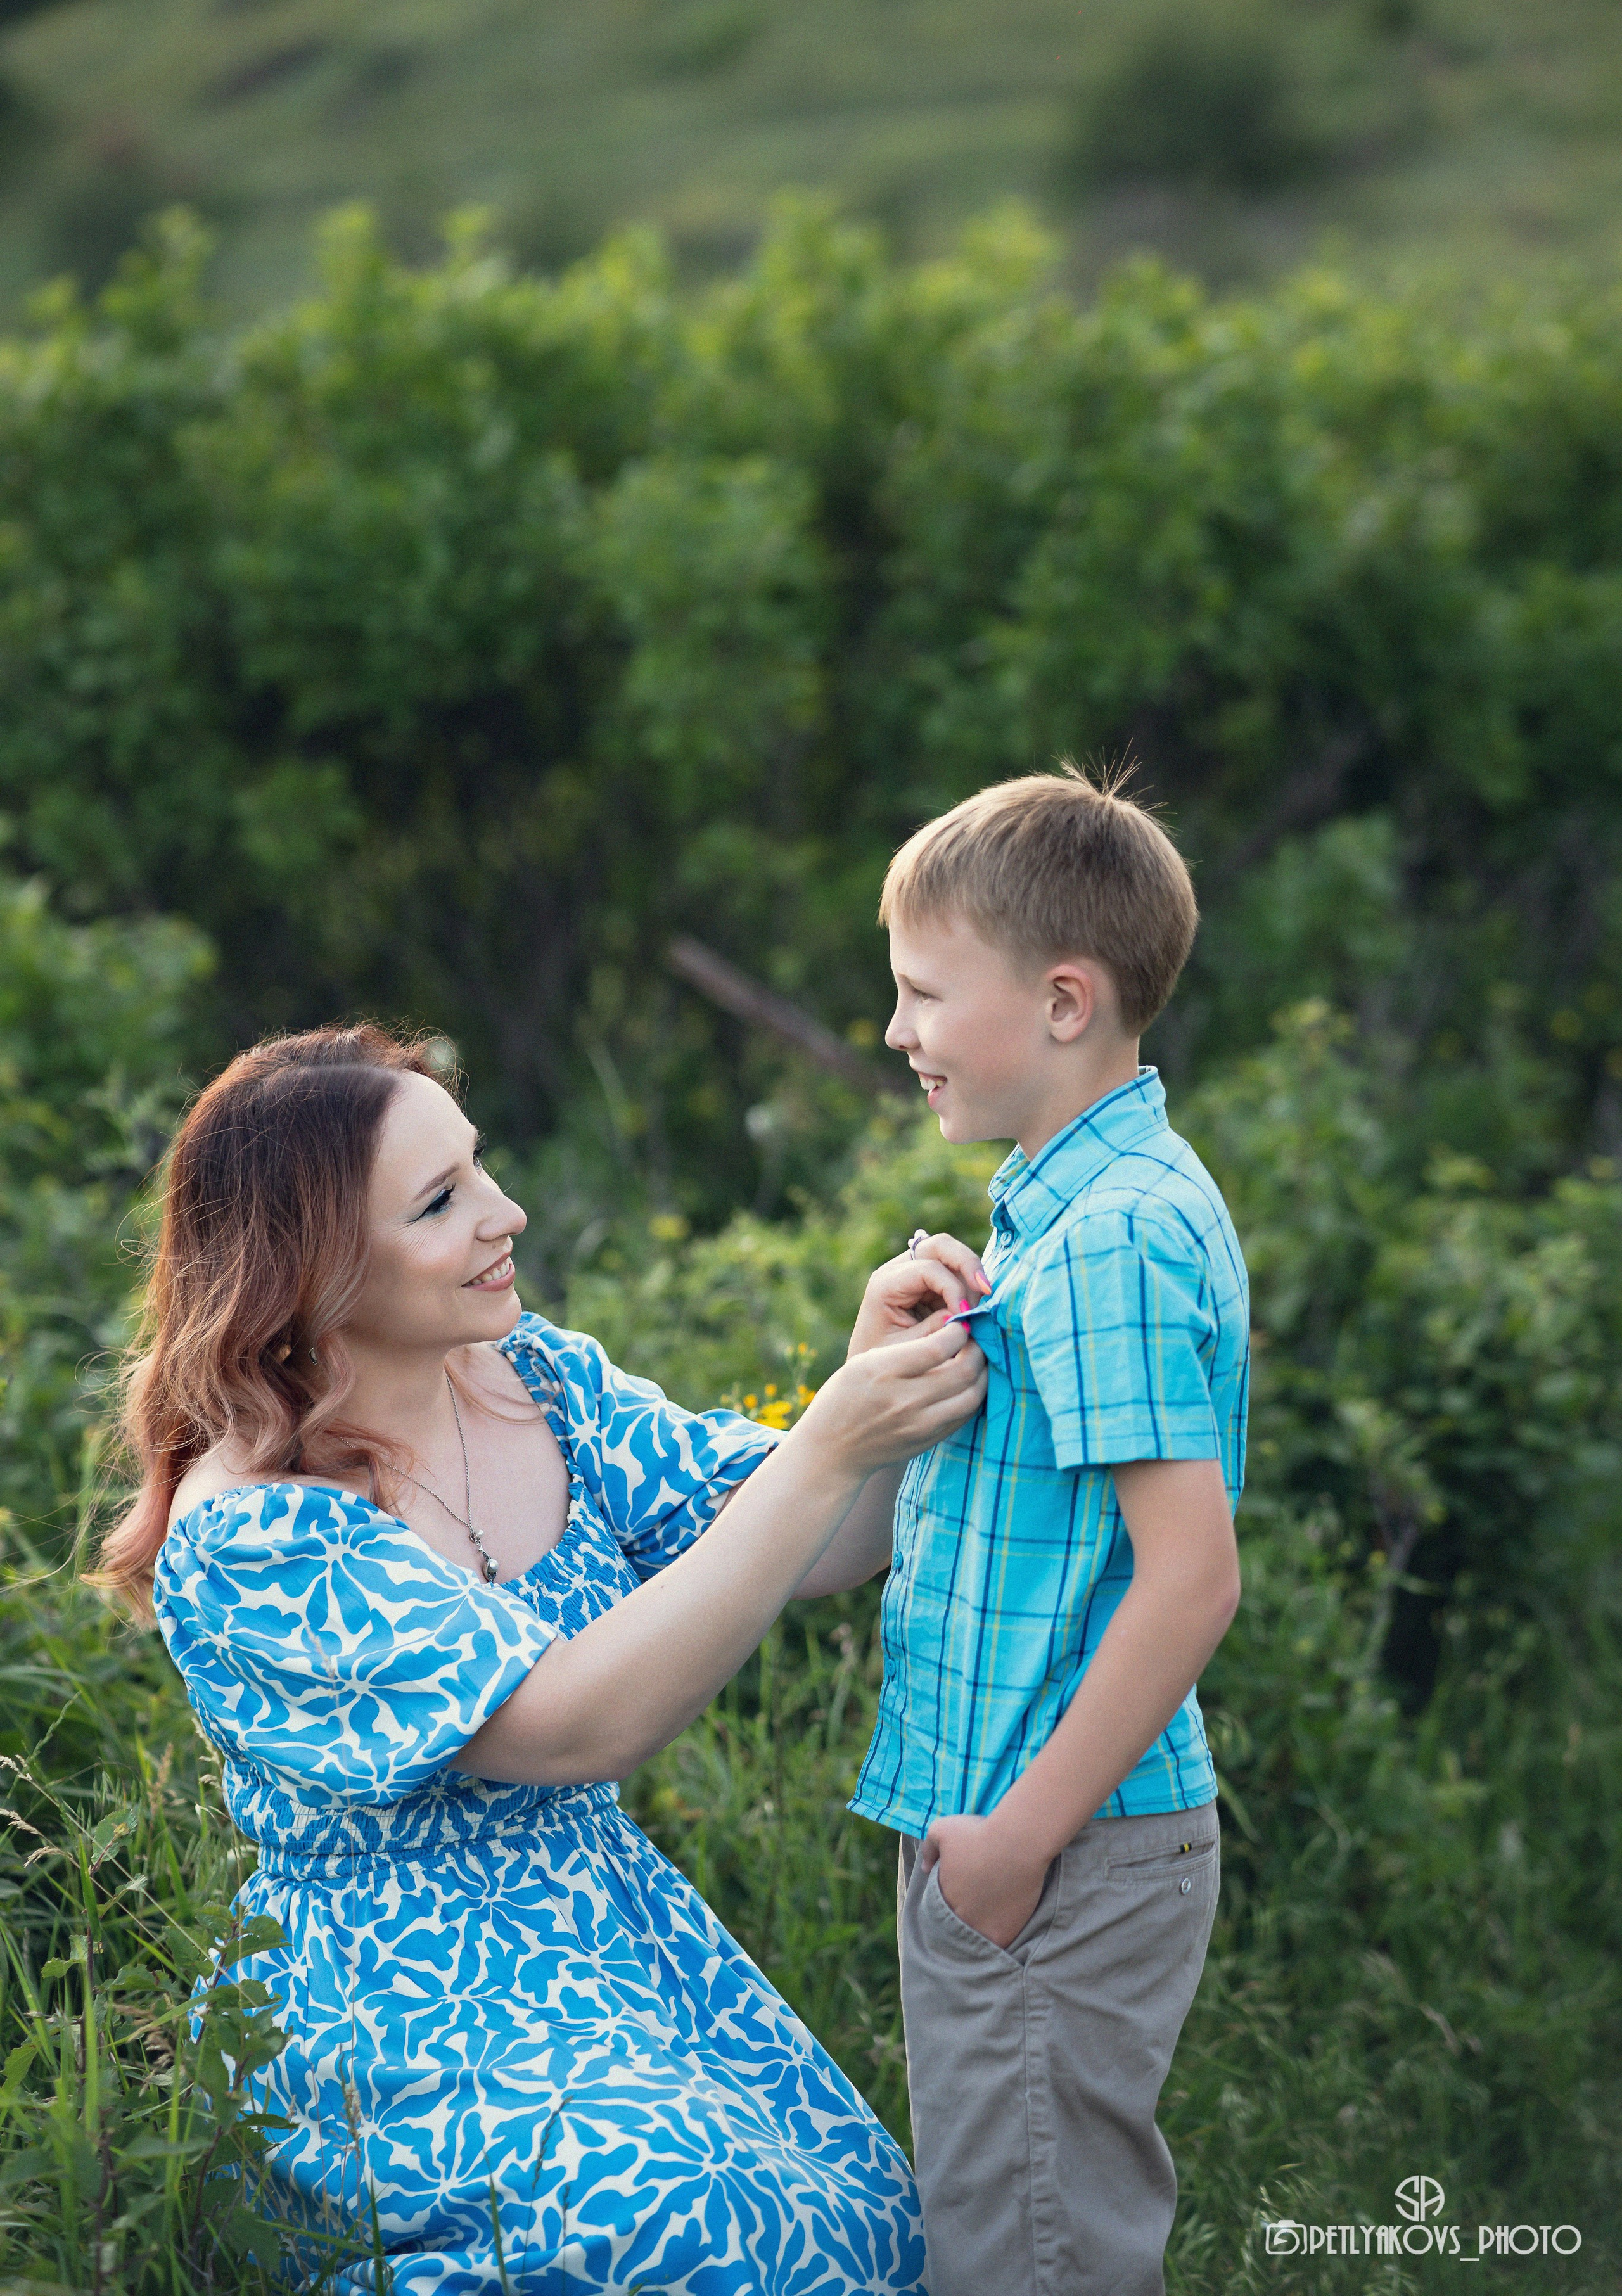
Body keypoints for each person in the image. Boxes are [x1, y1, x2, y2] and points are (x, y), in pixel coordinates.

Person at [95, 1023, 987, 2296]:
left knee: (868, 2227)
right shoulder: (254, 1536)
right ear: (314, 1266)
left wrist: (881, 1391)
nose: (503, 1212)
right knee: (692, 2225)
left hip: (612, 1936)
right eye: (440, 1201)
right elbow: (572, 1726)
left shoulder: (532, 1376)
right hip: (398, 2015)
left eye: (478, 1166)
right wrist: (830, 1444)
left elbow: (814, 1541)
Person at [843, 768, 1248, 2296]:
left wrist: (1010, 1847)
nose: (897, 1031)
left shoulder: (1110, 1240)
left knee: (1024, 2260)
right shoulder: (1071, 1209)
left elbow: (1188, 1581)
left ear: (1063, 1002)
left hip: (1053, 1847)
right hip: (1036, 1842)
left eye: (923, 993)